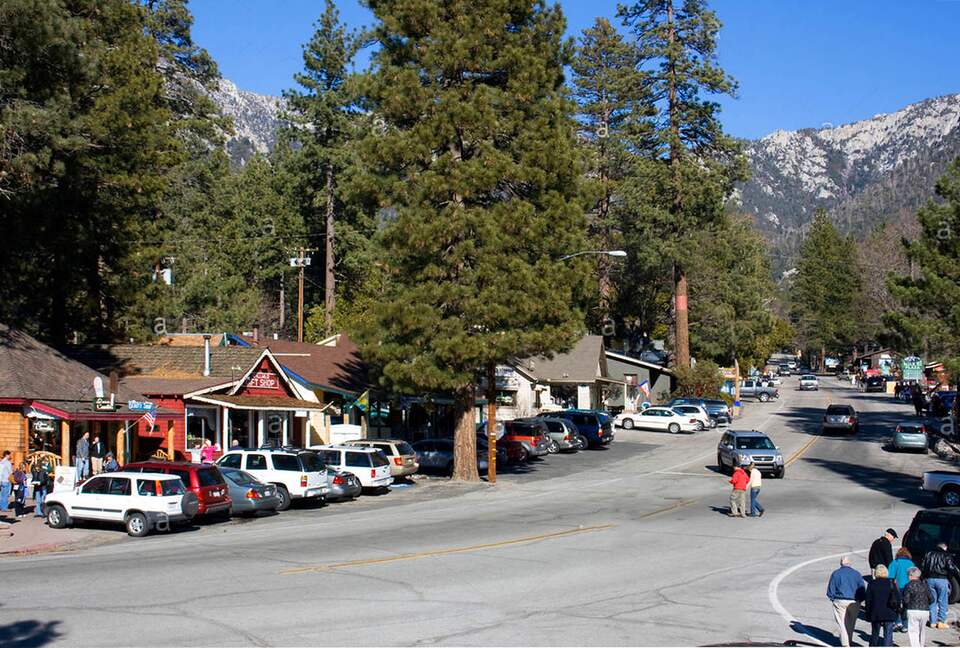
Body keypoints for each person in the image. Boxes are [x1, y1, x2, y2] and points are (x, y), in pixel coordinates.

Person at [827, 555, 867, 647]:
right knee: (851, 623)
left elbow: (830, 590)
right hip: (854, 601)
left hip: (840, 600)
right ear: (850, 563)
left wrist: (833, 599)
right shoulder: (856, 574)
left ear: (841, 563)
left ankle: (845, 644)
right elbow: (861, 589)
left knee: (841, 623)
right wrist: (860, 600)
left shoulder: (836, 573)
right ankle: (849, 640)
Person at [919, 541, 960, 629]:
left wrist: (925, 577)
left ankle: (932, 621)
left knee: (932, 600)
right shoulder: (946, 555)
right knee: (943, 600)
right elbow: (951, 568)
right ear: (944, 547)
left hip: (930, 579)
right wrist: (950, 575)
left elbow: (923, 566)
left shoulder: (928, 554)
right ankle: (941, 621)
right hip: (942, 579)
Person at [865, 563, 902, 646]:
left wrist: (868, 614)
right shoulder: (891, 583)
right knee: (888, 634)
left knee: (875, 633)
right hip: (889, 612)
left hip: (876, 613)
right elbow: (898, 598)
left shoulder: (872, 584)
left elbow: (868, 600)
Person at [902, 567, 932, 647]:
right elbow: (932, 598)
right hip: (924, 611)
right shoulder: (924, 585)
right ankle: (921, 646)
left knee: (913, 632)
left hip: (912, 610)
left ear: (911, 575)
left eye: (908, 575)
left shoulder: (908, 586)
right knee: (922, 631)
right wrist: (926, 603)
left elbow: (906, 600)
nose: (908, 577)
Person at [887, 547, 915, 631]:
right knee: (907, 605)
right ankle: (905, 625)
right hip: (909, 587)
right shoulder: (911, 563)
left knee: (897, 605)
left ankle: (897, 622)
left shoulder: (895, 562)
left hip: (897, 587)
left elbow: (890, 576)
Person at [0, 450, 12, 515]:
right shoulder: (7, 463)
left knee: (1, 494)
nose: (10, 456)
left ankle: (1, 506)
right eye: (9, 455)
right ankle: (4, 507)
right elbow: (10, 472)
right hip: (7, 480)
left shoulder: (1, 462)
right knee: (6, 494)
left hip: (2, 480)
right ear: (7, 455)